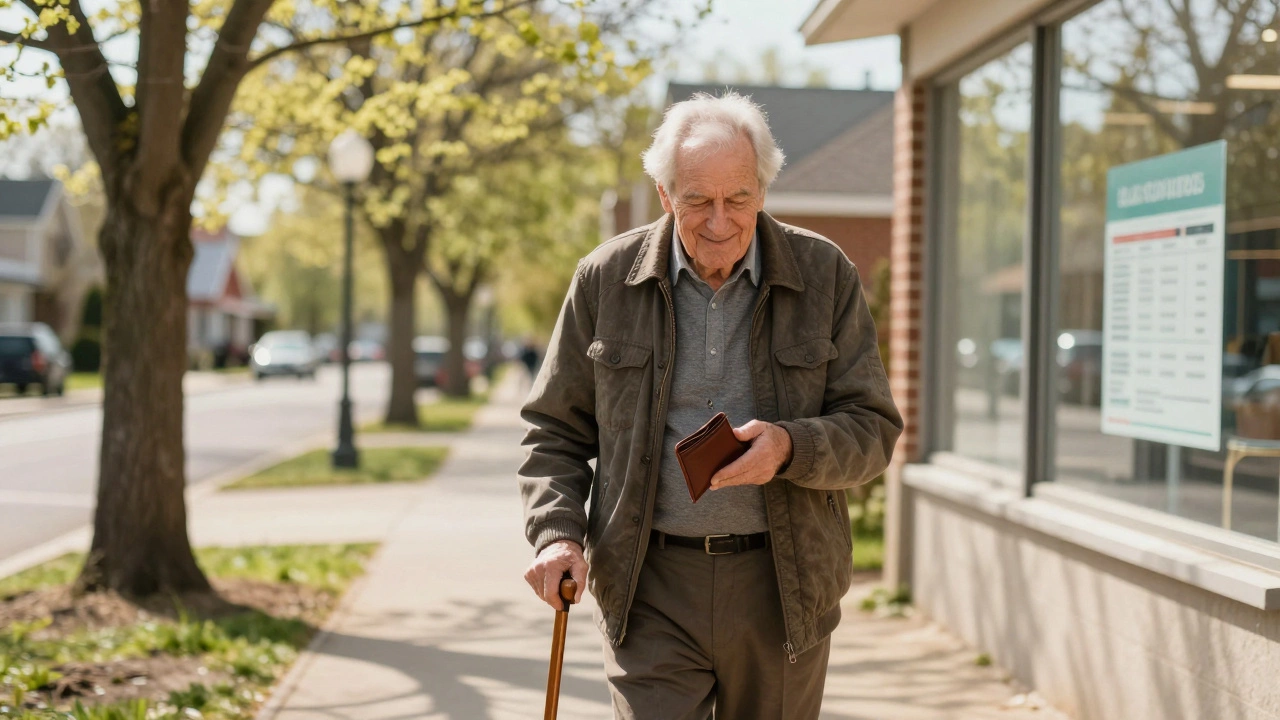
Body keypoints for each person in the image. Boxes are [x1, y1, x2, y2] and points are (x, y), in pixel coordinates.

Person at [518, 92, 902, 719]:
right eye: (698, 200)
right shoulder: (605, 279)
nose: (720, 220)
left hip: (783, 586)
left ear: (762, 192)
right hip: (649, 584)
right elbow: (553, 428)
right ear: (666, 196)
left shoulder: (824, 274)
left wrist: (789, 447)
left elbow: (873, 430)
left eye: (739, 199)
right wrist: (556, 534)